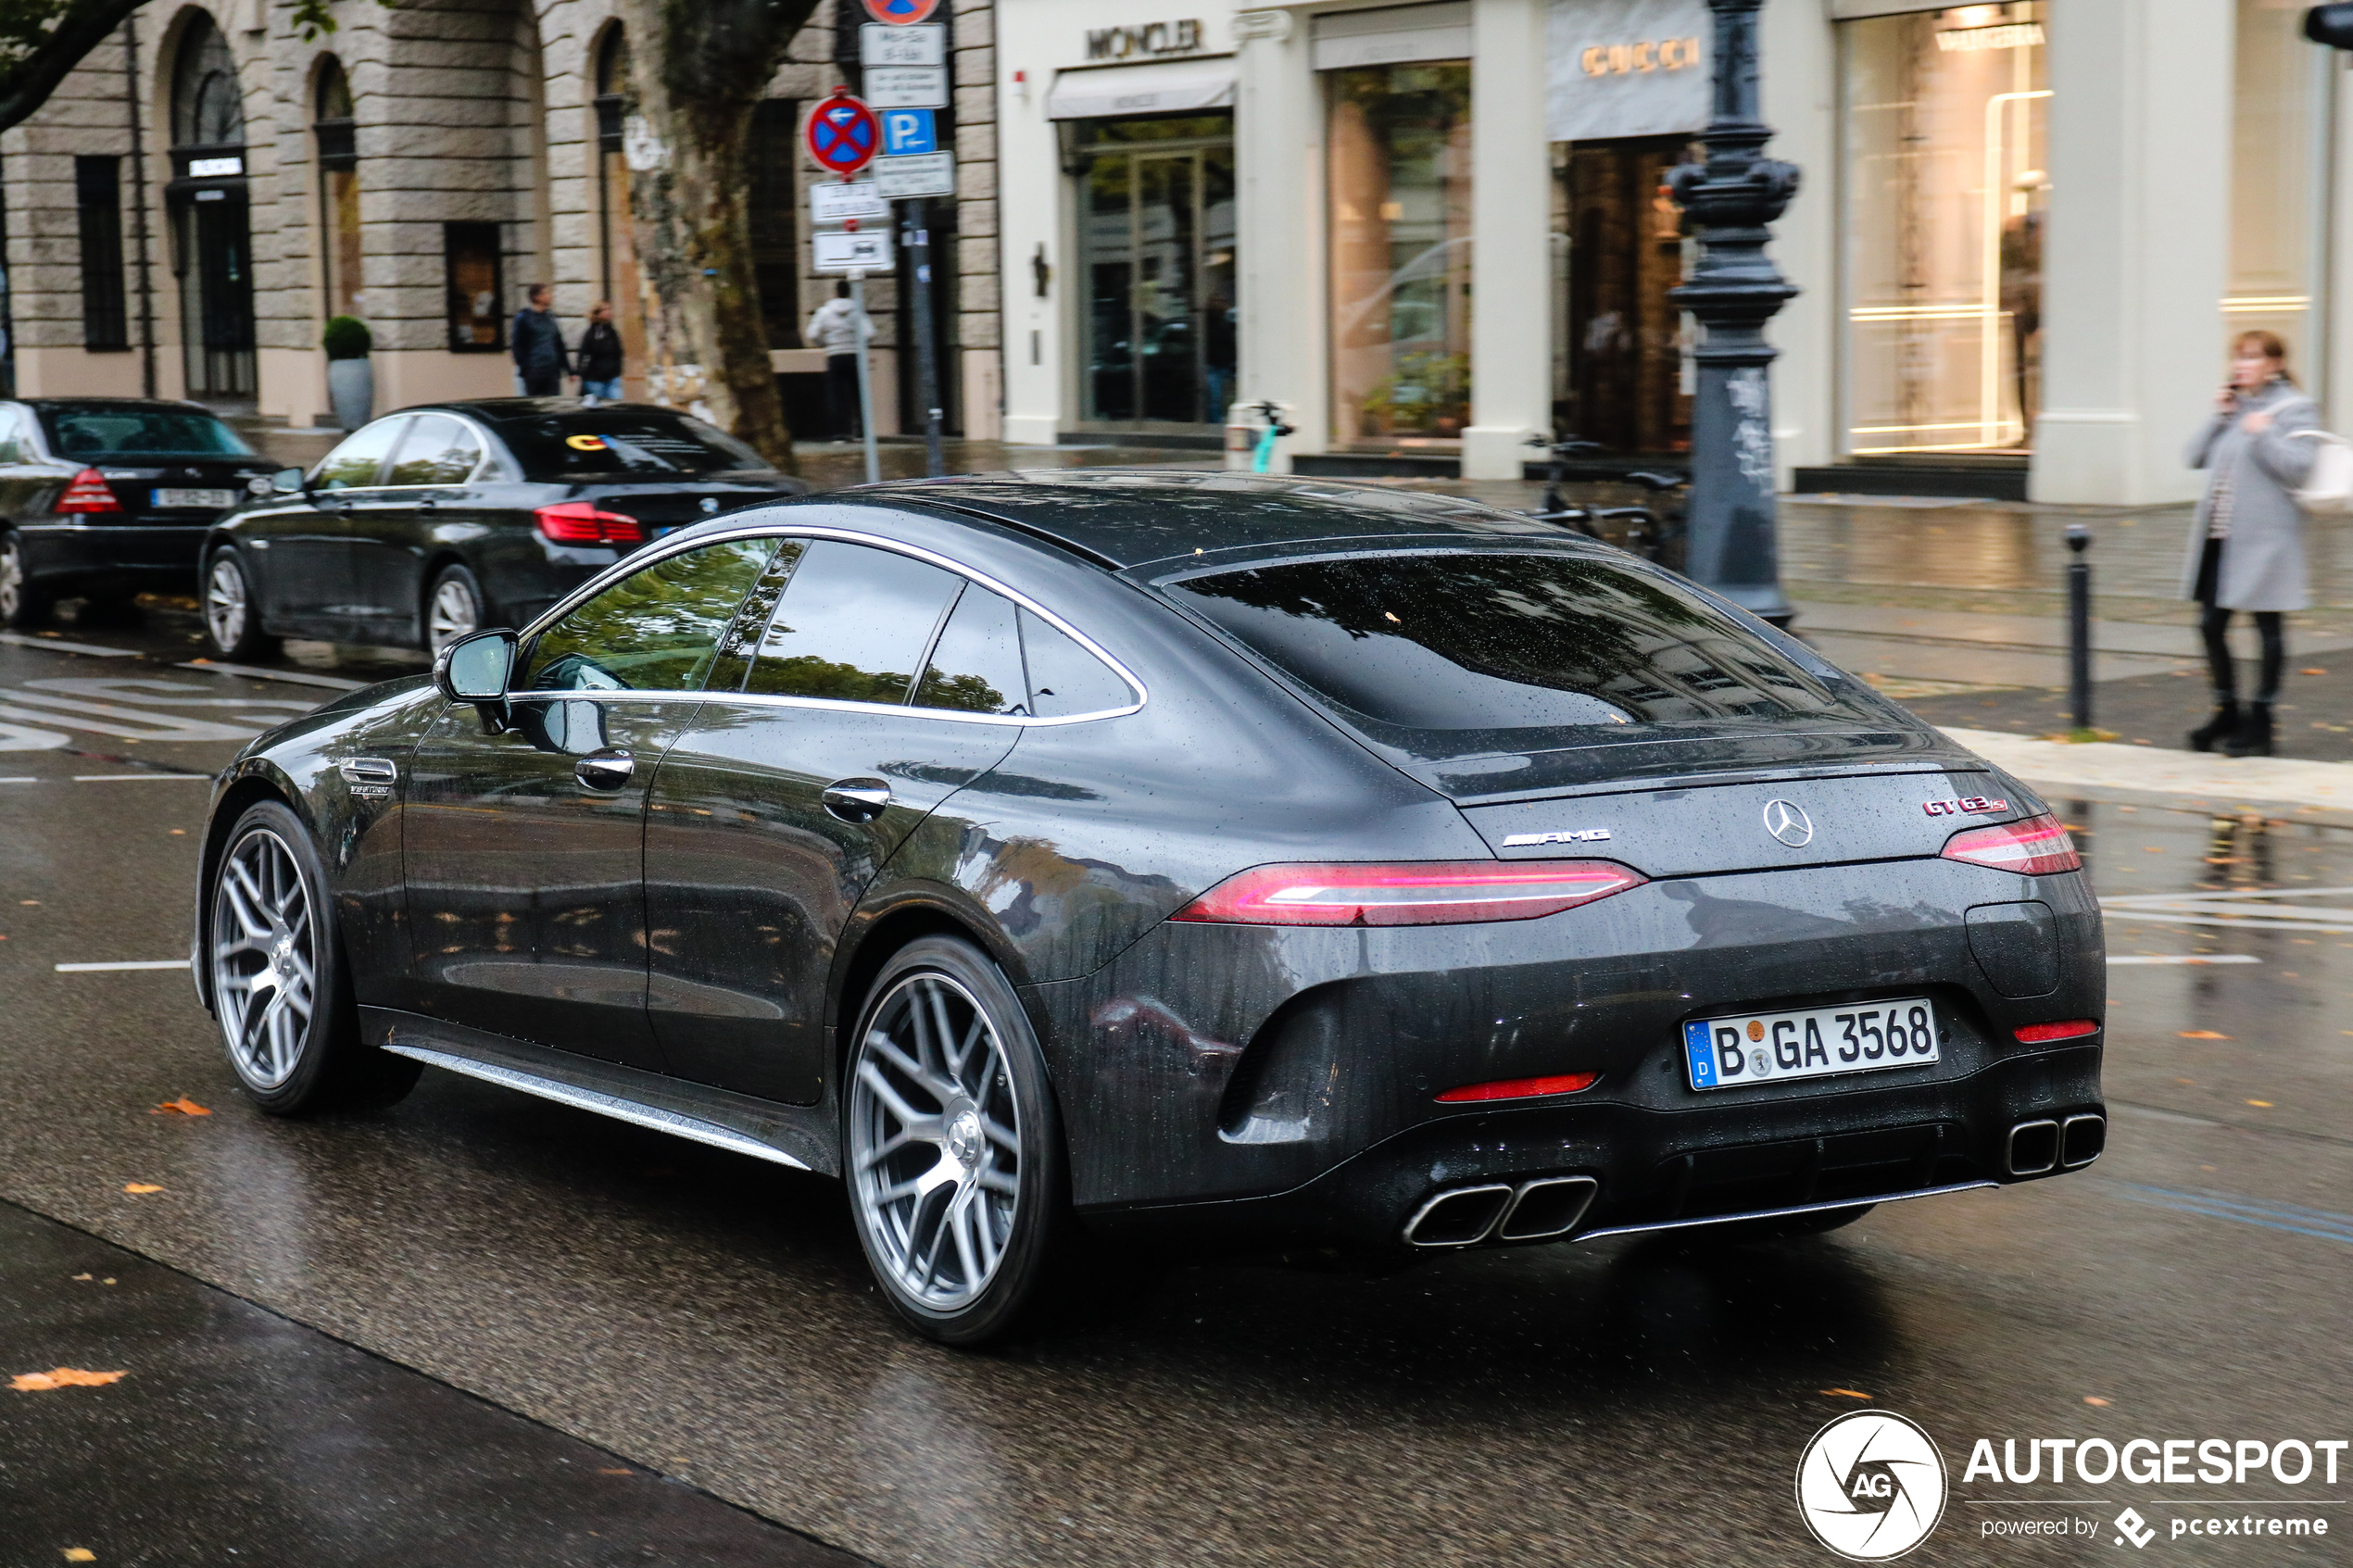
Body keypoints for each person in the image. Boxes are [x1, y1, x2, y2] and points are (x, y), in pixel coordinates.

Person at [2183, 329, 2320, 757]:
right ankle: (2227, 710)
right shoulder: (2235, 407)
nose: (2242, 365)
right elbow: (2193, 457)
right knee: (2210, 624)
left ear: (2275, 364)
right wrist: (2219, 416)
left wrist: (2263, 433)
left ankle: (2262, 720)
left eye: (2253, 357)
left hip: (2266, 539)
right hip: (2220, 538)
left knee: (2267, 628)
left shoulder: (2295, 409)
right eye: (2239, 357)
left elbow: (2301, 468)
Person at [806, 280, 862, 442]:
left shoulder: (824, 312)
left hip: (834, 356)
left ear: (835, 292)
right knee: (857, 395)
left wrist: (825, 344)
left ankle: (838, 434)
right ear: (849, 292)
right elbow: (869, 333)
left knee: (835, 396)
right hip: (853, 356)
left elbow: (812, 334)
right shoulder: (857, 311)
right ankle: (859, 432)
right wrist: (856, 343)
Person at [510, 283, 570, 397]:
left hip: (552, 371)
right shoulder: (524, 318)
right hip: (534, 371)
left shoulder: (551, 317)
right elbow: (517, 345)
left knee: (553, 404)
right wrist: (526, 368)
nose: (550, 296)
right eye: (546, 293)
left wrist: (568, 369)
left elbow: (559, 344)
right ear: (536, 297)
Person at [575, 300, 623, 406]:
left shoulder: (612, 332)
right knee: (597, 408)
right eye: (605, 310)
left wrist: (617, 370)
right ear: (597, 313)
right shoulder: (591, 333)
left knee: (616, 406)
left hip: (612, 378)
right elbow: (583, 353)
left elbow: (619, 352)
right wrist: (579, 372)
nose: (609, 312)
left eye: (609, 309)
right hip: (595, 379)